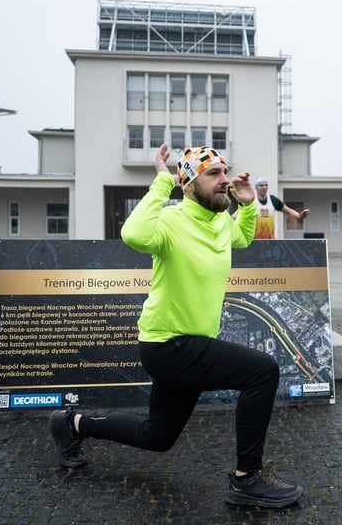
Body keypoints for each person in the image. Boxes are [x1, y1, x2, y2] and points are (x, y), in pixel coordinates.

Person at [48, 144, 303, 509]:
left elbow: (242, 237)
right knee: (262, 372)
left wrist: (246, 206)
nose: (224, 179)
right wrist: (160, 183)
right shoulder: (171, 221)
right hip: (167, 345)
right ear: (187, 184)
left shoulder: (219, 223)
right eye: (213, 174)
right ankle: (247, 478)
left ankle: (72, 424)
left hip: (191, 346)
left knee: (158, 436)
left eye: (224, 172)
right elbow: (132, 234)